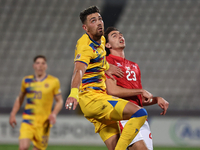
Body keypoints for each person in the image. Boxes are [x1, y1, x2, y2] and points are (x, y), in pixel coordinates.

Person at [65, 6, 153, 150]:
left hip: (96, 102)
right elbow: (78, 70)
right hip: (93, 99)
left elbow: (97, 60)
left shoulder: (100, 41)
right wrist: (73, 93)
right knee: (140, 113)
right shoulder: (85, 46)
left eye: (100, 19)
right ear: (85, 27)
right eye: (93, 21)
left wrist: (106, 66)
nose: (99, 23)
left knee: (115, 145)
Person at [104, 27, 169, 150]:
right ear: (107, 45)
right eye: (114, 35)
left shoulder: (134, 66)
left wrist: (156, 99)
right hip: (123, 116)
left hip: (140, 117)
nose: (120, 36)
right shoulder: (108, 63)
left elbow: (139, 99)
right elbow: (112, 91)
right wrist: (141, 91)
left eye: (121, 34)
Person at [9, 55, 63, 150]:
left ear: (46, 66)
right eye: (38, 63)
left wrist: (54, 114)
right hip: (28, 119)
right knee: (23, 147)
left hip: (44, 122)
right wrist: (13, 114)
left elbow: (60, 101)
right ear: (34, 65)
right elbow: (20, 99)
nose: (40, 65)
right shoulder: (26, 81)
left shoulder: (53, 81)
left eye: (43, 63)